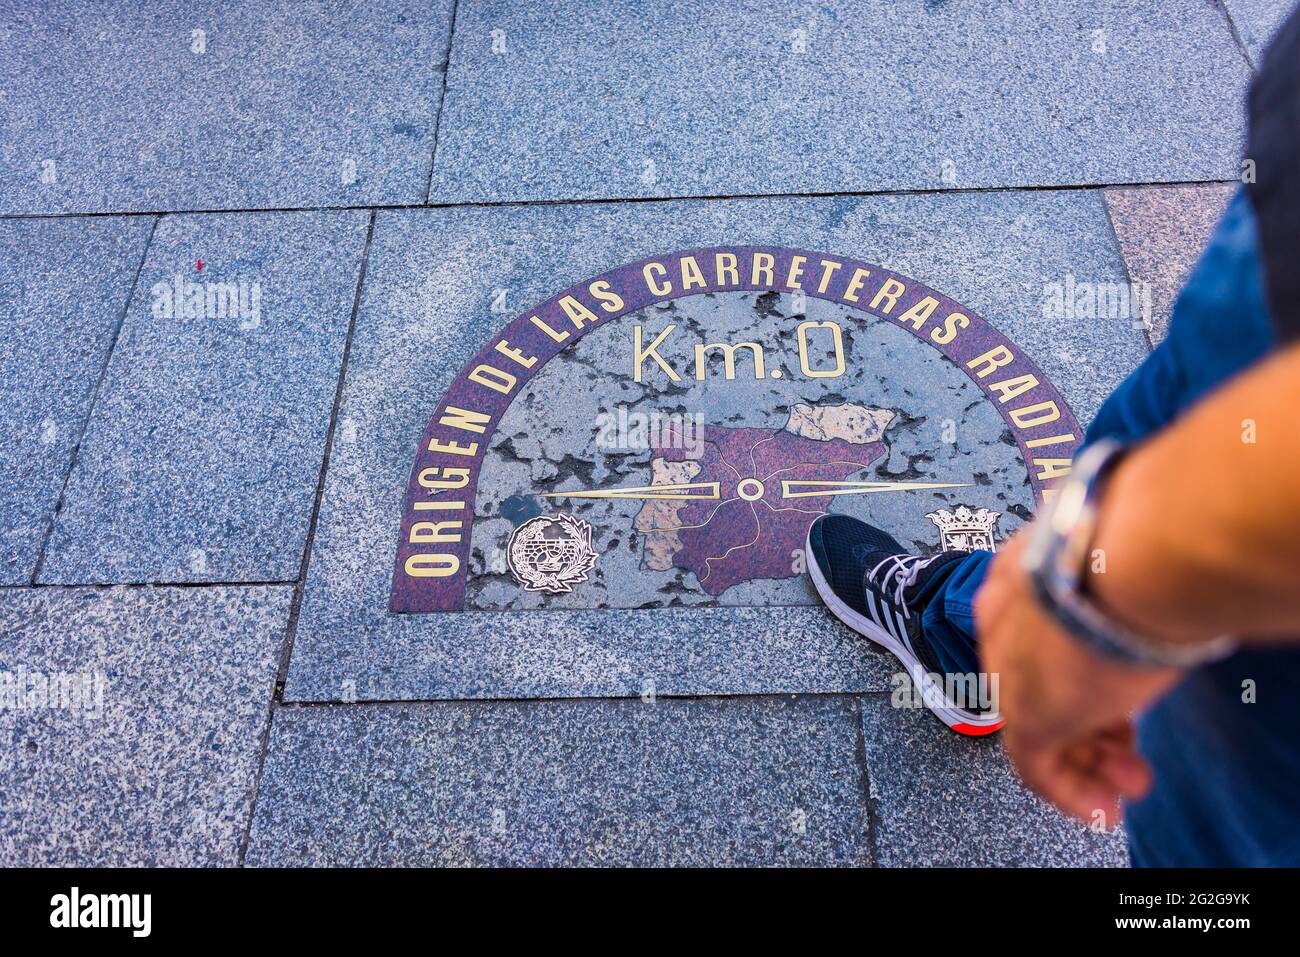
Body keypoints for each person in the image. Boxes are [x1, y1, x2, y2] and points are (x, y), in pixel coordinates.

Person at [805, 12, 1300, 867]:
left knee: (1217, 848)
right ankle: (971, 623)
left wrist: (1091, 605)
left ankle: (980, 624)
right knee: (1136, 438)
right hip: (1274, 238)